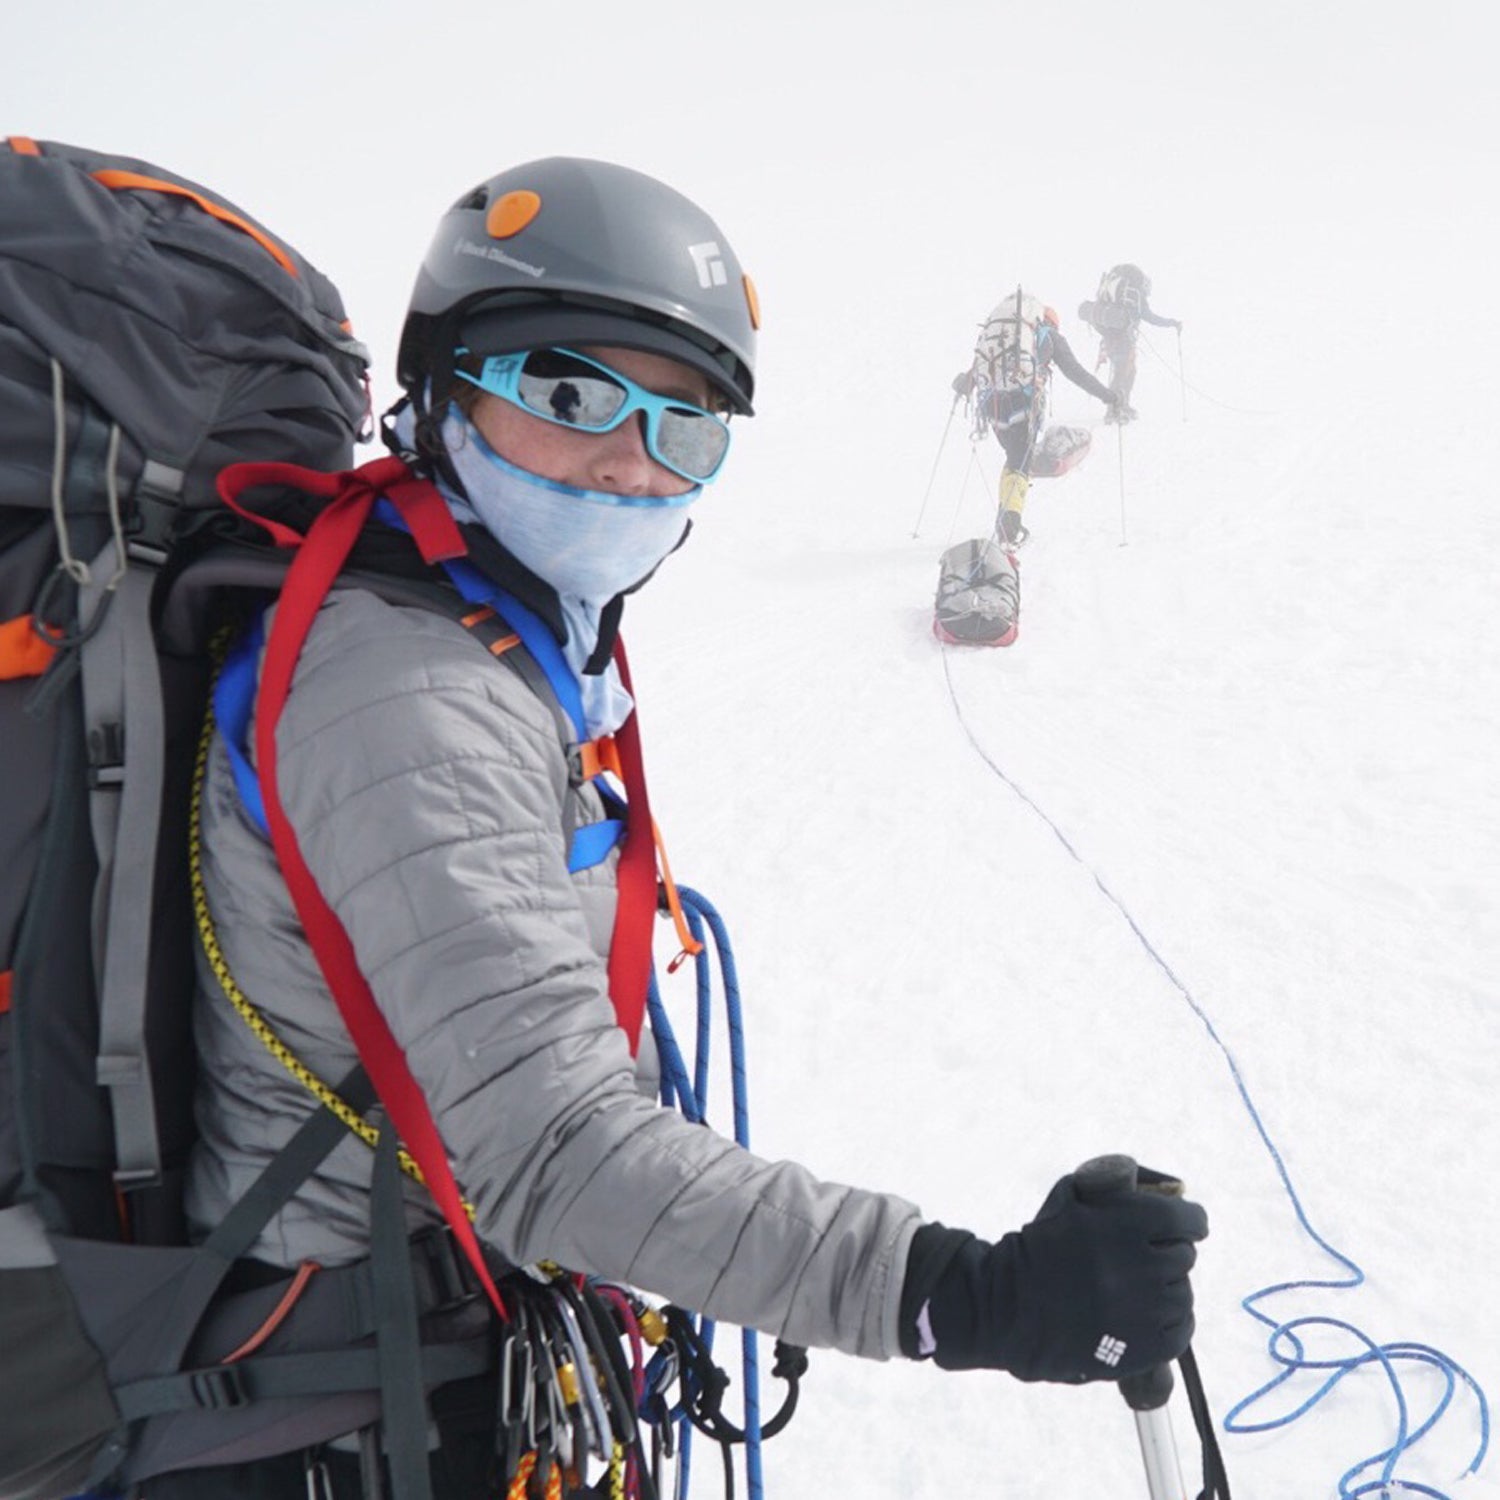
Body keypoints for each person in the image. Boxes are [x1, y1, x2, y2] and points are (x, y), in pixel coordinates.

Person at [178, 159, 1207, 1496]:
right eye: (569, 392)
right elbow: (556, 1146)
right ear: (438, 394)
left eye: (687, 427)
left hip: (413, 1353)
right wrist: (973, 1294)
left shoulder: (480, 635)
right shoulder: (407, 696)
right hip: (327, 1415)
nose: (627, 461)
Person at [953, 291, 1118, 545]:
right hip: (1022, 402)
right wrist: (1108, 396)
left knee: (1014, 459)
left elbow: (982, 367)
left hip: (992, 405)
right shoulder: (1049, 336)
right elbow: (1076, 373)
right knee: (1019, 462)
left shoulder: (1005, 335)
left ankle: (1006, 516)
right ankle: (1010, 523)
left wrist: (966, 383)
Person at [1083, 264, 1182, 423]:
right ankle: (1114, 410)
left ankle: (1121, 406)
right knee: (1122, 373)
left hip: (1110, 338)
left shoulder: (1120, 298)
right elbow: (1151, 317)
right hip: (1123, 339)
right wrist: (1172, 323)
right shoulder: (1136, 298)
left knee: (1126, 372)